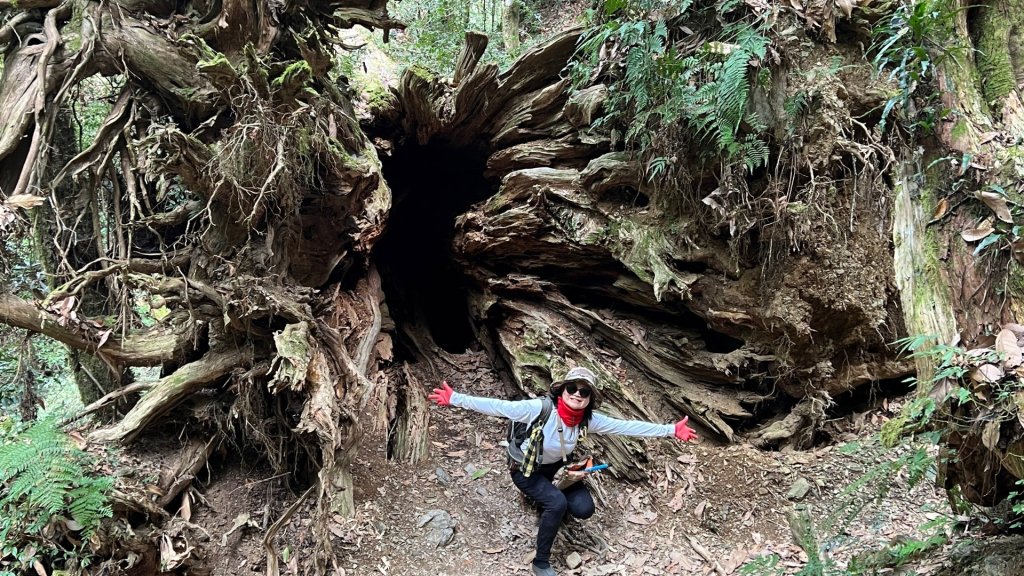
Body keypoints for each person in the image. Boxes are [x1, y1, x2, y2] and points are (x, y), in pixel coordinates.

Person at [428, 366, 698, 576]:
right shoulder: (540, 409)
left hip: (557, 470)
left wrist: (670, 430)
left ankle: (547, 505)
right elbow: (499, 407)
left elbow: (627, 426)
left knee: (584, 509)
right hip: (526, 469)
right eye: (572, 387)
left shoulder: (588, 420)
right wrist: (455, 398)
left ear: (590, 398)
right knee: (556, 503)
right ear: (561, 389)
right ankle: (541, 562)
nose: (577, 394)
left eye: (584, 391)